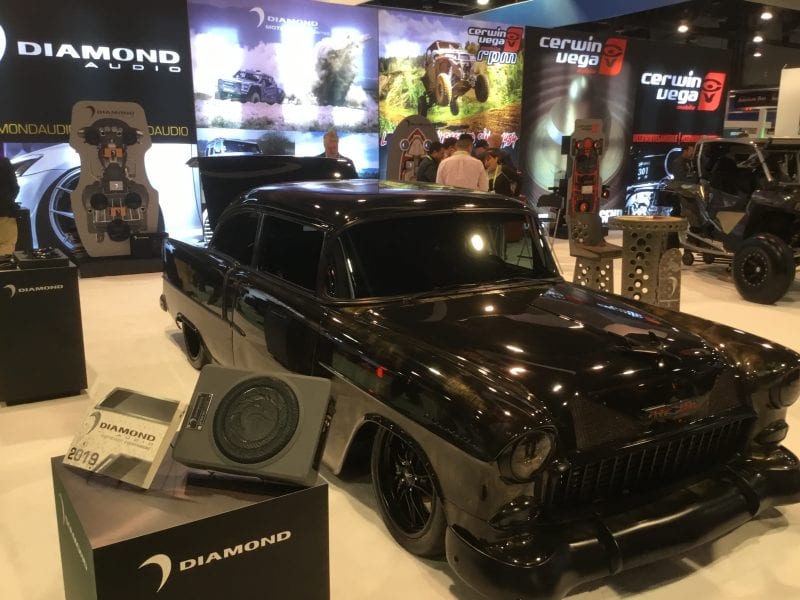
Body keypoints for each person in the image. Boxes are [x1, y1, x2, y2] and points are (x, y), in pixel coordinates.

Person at [0, 157, 20, 255]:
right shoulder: (4, 163)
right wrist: (8, 201)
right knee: (5, 251)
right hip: (5, 214)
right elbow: (15, 188)